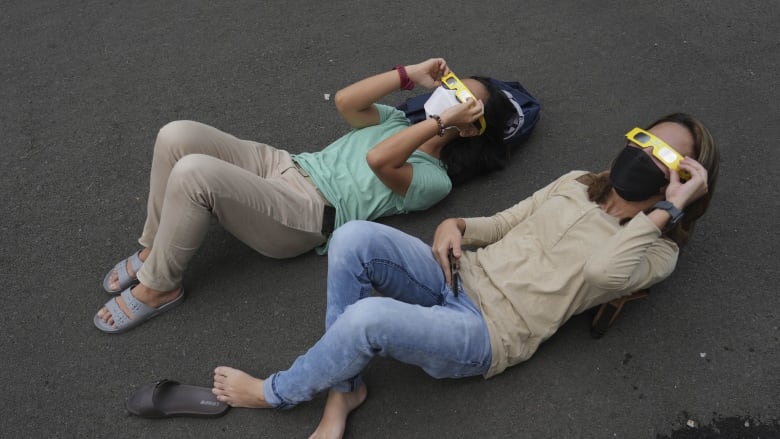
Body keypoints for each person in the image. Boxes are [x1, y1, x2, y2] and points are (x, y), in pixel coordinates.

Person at [210, 113, 719, 439]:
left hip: (489, 333)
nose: (650, 155)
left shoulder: (657, 251)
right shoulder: (577, 183)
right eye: (647, 140)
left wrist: (667, 211)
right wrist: (455, 225)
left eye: (669, 158)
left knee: (367, 319)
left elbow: (603, 272)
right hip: (458, 274)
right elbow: (504, 222)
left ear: (686, 183)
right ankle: (346, 388)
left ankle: (276, 392)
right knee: (352, 237)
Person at [94, 58, 532, 333]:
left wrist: (439, 123)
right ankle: (155, 247)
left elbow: (380, 161)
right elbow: (345, 102)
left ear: (471, 127)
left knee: (194, 174)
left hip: (307, 214)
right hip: (284, 164)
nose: (443, 95)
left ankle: (159, 288)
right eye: (450, 84)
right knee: (176, 136)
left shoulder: (436, 179)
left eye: (457, 97)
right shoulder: (398, 121)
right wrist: (408, 74)